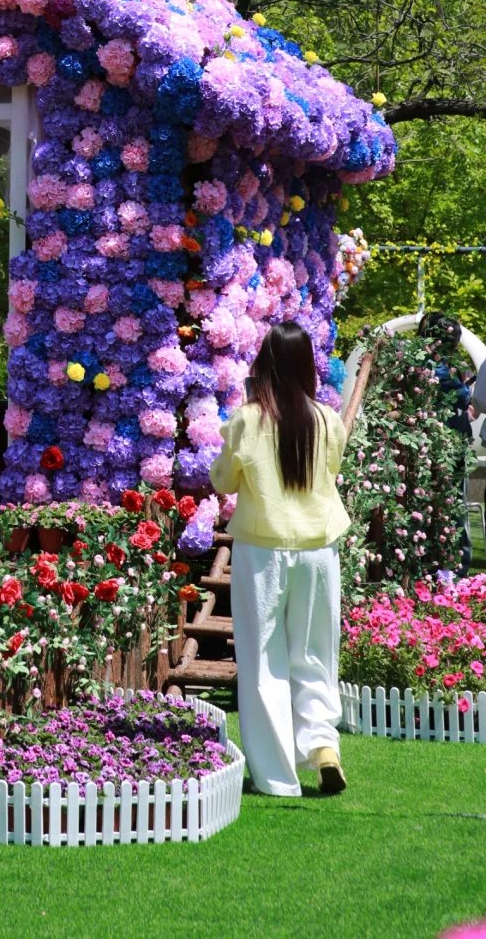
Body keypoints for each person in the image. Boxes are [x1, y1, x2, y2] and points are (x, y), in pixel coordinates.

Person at [210, 323, 351, 797]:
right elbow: (329, 472)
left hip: (263, 548)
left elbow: (224, 481)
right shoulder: (327, 419)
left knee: (262, 657)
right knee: (314, 653)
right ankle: (322, 744)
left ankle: (276, 776)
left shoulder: (247, 419)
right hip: (318, 549)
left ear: (264, 365)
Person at [419, 310, 479, 576]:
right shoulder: (438, 371)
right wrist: (467, 380)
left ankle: (436, 569)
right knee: (455, 511)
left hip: (436, 449)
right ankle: (457, 572)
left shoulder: (421, 366)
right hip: (449, 452)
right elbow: (465, 397)